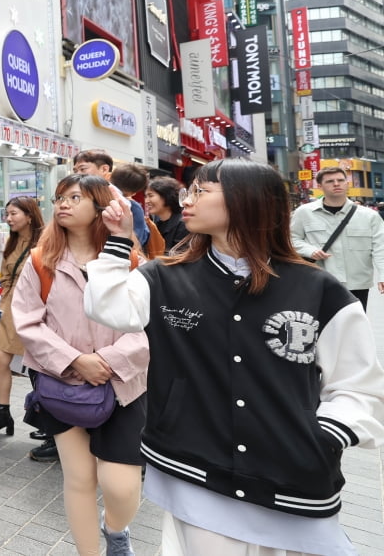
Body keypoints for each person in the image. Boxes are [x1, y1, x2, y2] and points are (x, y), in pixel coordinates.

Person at [87, 159, 384, 555]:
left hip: (295, 478)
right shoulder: (164, 276)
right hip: (193, 464)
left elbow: (359, 386)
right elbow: (108, 308)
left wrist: (324, 435)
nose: (186, 199)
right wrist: (118, 241)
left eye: (200, 191)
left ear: (247, 200)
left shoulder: (318, 290)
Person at [12, 174, 149, 555]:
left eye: (75, 197)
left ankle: (116, 531)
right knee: (79, 478)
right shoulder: (41, 261)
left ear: (101, 206)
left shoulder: (132, 260)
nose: (63, 204)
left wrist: (105, 361)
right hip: (63, 384)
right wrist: (75, 360)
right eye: (59, 197)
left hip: (123, 383)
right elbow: (27, 322)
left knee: (121, 484)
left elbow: (147, 326)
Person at [0, 196, 44, 440]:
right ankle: (3, 414)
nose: (8, 218)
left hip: (36, 313)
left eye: (13, 213)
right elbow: (5, 278)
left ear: (29, 215)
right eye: (7, 214)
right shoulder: (12, 242)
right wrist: (0, 309)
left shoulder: (47, 241)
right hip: (10, 312)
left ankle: (48, 418)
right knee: (0, 360)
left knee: (40, 368)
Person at [290, 166, 384, 310]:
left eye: (340, 180)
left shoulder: (368, 216)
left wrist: (382, 276)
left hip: (357, 283)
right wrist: (309, 250)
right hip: (319, 282)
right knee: (322, 328)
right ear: (320, 186)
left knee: (354, 327)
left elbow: (380, 247)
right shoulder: (304, 213)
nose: (336, 184)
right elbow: (291, 239)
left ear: (347, 183)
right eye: (330, 181)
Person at [74, 150, 149, 247]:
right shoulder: (78, 195)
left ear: (105, 170)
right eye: (75, 170)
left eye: (83, 169)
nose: (76, 174)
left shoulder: (130, 207)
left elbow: (136, 245)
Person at [144, 176, 188, 252]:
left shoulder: (183, 224)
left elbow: (178, 256)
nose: (146, 201)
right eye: (146, 196)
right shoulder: (153, 222)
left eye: (150, 196)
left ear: (166, 196)